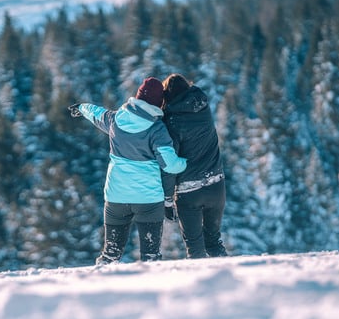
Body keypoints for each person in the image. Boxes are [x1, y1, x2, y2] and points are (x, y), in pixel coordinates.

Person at [69, 77, 187, 265]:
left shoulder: (115, 119)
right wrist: (185, 162)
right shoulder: (157, 130)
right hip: (148, 201)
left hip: (116, 197)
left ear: (137, 97)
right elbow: (170, 165)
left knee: (110, 254)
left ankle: (98, 288)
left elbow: (96, 113)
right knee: (151, 257)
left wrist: (81, 107)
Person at [160, 73, 228, 259]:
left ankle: (202, 287)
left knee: (196, 250)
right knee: (214, 243)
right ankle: (228, 282)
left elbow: (170, 165)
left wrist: (167, 199)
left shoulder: (172, 121)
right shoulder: (203, 108)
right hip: (216, 185)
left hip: (189, 192)